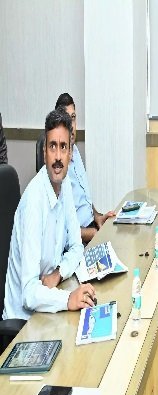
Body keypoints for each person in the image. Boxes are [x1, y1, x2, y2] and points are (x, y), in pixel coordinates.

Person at [2, 108, 96, 321]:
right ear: (44, 151)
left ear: (70, 154)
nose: (58, 157)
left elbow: (76, 246)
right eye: (53, 146)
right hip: (24, 320)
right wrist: (68, 298)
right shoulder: (34, 202)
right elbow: (29, 293)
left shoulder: (65, 185)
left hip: (48, 303)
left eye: (63, 147)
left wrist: (59, 273)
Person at [55, 93, 115, 244]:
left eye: (73, 117)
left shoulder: (75, 151)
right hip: (78, 240)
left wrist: (97, 217)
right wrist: (93, 233)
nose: (72, 125)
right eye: (66, 119)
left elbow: (83, 197)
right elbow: (62, 230)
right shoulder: (57, 167)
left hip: (91, 227)